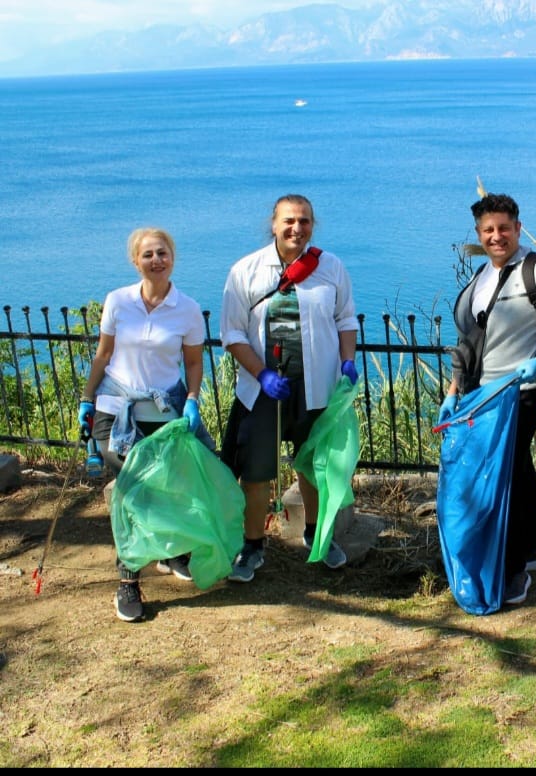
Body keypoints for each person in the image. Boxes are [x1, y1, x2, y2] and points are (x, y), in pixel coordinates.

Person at [439, 193, 536, 607]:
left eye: (503, 228)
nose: (496, 236)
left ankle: (513, 569)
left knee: (506, 474)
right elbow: (467, 343)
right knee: (515, 469)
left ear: (518, 227)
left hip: (520, 391)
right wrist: (451, 392)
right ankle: (531, 549)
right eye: (487, 231)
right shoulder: (481, 277)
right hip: (480, 396)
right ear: (480, 236)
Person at [219, 194, 359, 583]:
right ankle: (252, 545)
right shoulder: (246, 270)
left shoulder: (329, 267)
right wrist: (261, 374)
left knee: (313, 467)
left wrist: (347, 362)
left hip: (316, 388)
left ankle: (317, 535)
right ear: (274, 224)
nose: (297, 228)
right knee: (256, 472)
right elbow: (230, 334)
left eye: (305, 221)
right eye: (289, 221)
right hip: (262, 391)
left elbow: (346, 319)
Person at [79, 227, 215, 622]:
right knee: (137, 488)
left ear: (173, 257)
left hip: (164, 410)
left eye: (163, 253)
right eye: (148, 254)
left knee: (182, 479)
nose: (156, 260)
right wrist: (87, 399)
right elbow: (104, 355)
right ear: (135, 261)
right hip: (115, 409)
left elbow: (192, 362)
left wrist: (192, 399)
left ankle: (171, 552)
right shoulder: (118, 301)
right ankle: (128, 580)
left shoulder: (187, 308)